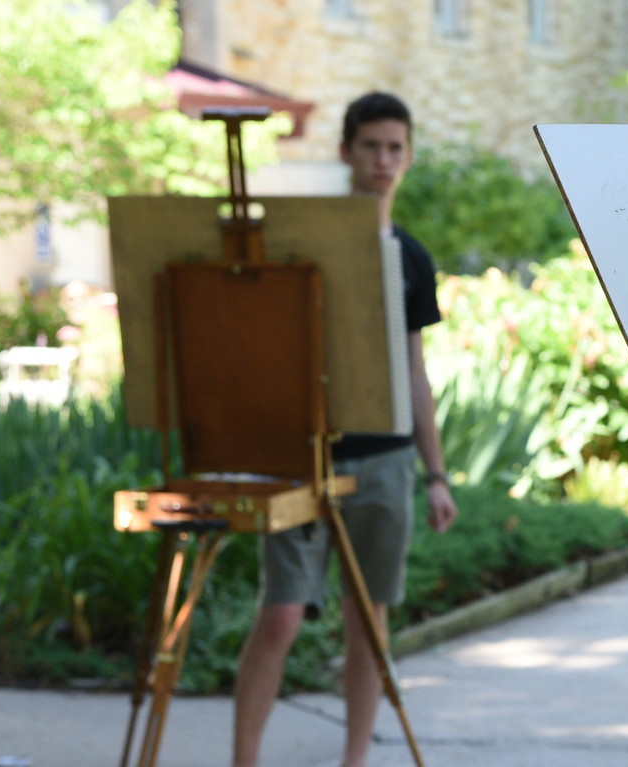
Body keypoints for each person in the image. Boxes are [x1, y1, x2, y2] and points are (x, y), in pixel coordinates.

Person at [232, 91, 459, 767]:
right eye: (371, 146)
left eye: (396, 147)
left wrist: (438, 473)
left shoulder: (412, 258)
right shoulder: (307, 246)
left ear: (408, 155)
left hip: (386, 461)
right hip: (305, 456)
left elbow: (414, 372)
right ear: (346, 152)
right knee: (280, 615)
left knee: (369, 621)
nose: (384, 160)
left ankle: (354, 759)